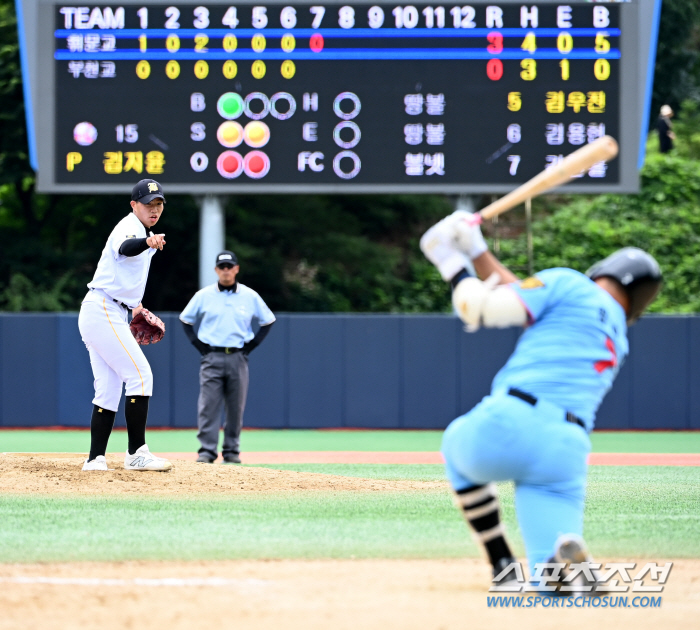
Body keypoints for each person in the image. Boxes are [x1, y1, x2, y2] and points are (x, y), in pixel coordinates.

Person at [420, 210, 662, 590]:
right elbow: (530, 303)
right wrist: (477, 251)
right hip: (566, 449)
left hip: (512, 420)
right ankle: (558, 564)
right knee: (546, 566)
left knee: (455, 442)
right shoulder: (616, 331)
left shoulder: (568, 283)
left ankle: (502, 565)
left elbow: (479, 307)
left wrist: (450, 260)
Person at [78, 179, 172, 472]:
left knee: (107, 388)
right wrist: (147, 241)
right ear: (134, 205)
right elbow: (126, 248)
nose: (154, 209)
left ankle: (95, 459)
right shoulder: (129, 227)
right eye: (148, 204)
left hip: (109, 310)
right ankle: (136, 453)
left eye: (158, 204)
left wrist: (136, 307)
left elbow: (124, 274)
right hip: (103, 309)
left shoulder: (142, 230)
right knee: (140, 375)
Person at [180, 251, 276, 464]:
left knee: (235, 406)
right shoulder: (204, 295)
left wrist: (250, 347)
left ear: (236, 269)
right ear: (216, 270)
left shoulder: (249, 296)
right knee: (208, 406)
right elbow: (185, 319)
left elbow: (268, 320)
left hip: (237, 357)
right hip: (211, 356)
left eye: (229, 266)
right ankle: (206, 451)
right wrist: (199, 346)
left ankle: (232, 451)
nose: (225, 271)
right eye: (222, 267)